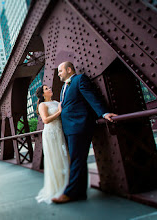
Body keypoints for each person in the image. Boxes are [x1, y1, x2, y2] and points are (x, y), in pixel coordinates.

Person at [51, 61, 117, 204]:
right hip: (69, 128)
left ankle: (70, 193)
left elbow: (91, 97)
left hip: (78, 126)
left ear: (69, 70)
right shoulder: (64, 86)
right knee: (76, 159)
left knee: (76, 159)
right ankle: (79, 193)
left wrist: (104, 113)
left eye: (60, 71)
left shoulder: (80, 79)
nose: (58, 74)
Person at [35, 85, 70, 204]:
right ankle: (58, 188)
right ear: (42, 94)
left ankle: (68, 185)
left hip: (61, 131)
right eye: (46, 89)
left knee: (65, 158)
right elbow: (45, 120)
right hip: (51, 134)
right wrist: (59, 111)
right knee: (56, 160)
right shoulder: (42, 105)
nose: (49, 89)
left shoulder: (56, 102)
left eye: (49, 88)